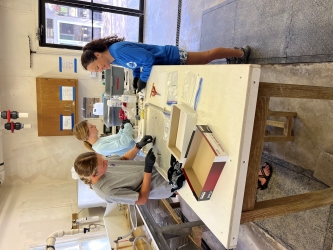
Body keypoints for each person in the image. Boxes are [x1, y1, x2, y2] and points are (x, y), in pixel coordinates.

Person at [81, 35, 251, 92]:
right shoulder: (115, 59)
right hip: (167, 65)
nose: (101, 69)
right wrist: (136, 76)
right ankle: (235, 54)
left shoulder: (118, 51)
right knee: (204, 63)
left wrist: (144, 78)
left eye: (97, 67)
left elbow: (147, 59)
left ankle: (240, 52)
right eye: (97, 71)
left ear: (97, 54)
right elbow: (137, 64)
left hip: (170, 57)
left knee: (206, 57)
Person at [74, 141, 176, 205]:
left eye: (103, 158)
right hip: (166, 184)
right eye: (103, 163)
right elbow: (142, 199)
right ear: (95, 175)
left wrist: (137, 146)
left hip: (161, 169)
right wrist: (147, 170)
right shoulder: (108, 192)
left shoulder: (102, 166)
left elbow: (123, 159)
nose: (106, 162)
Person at [73, 119, 143, 157]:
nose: (94, 125)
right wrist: (128, 125)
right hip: (142, 148)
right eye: (91, 127)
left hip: (140, 142)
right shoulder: (99, 148)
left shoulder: (99, 140)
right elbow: (124, 142)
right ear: (87, 135)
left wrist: (122, 127)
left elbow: (119, 137)